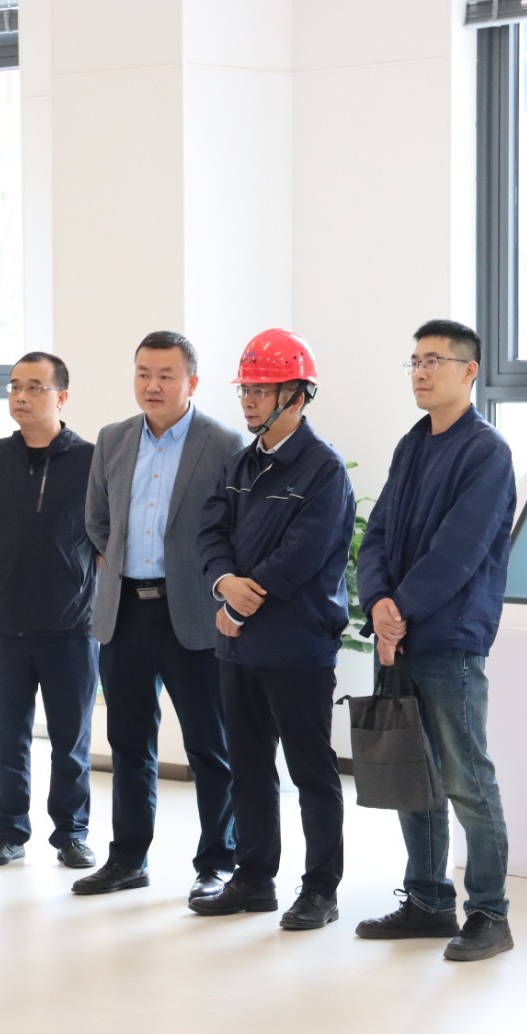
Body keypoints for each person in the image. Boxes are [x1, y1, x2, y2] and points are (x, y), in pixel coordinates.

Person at [354, 319, 517, 962]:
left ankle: (489, 913)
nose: (420, 372)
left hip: (449, 639)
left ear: (468, 371)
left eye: (434, 361)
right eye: (415, 361)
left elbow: (460, 550)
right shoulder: (412, 444)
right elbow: (378, 535)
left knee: (466, 778)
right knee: (411, 772)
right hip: (398, 636)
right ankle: (426, 902)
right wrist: (378, 602)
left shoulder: (486, 452)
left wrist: (399, 609)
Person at [192, 329, 354, 930]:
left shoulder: (323, 470)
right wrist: (222, 583)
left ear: (298, 395)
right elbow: (210, 533)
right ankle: (254, 878)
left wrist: (240, 603)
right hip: (239, 649)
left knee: (311, 772)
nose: (249, 401)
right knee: (249, 767)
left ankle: (320, 890)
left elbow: (301, 555)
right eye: (246, 390)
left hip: (297, 648)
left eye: (262, 390)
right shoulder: (240, 463)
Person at [72, 331, 241, 900]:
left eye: (166, 375)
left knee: (209, 747)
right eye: (143, 373)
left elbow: (233, 529)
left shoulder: (222, 443)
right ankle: (128, 859)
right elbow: (97, 520)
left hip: (191, 612)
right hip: (124, 611)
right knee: (128, 743)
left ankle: (217, 861)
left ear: (192, 382)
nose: (152, 385)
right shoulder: (113, 438)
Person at [0, 353, 99, 870]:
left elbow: (103, 533)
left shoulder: (90, 460)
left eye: (34, 387)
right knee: (6, 741)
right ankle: (8, 833)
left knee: (71, 742)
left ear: (61, 397)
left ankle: (72, 833)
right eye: (14, 386)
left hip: (70, 628)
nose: (20, 396)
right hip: (1, 626)